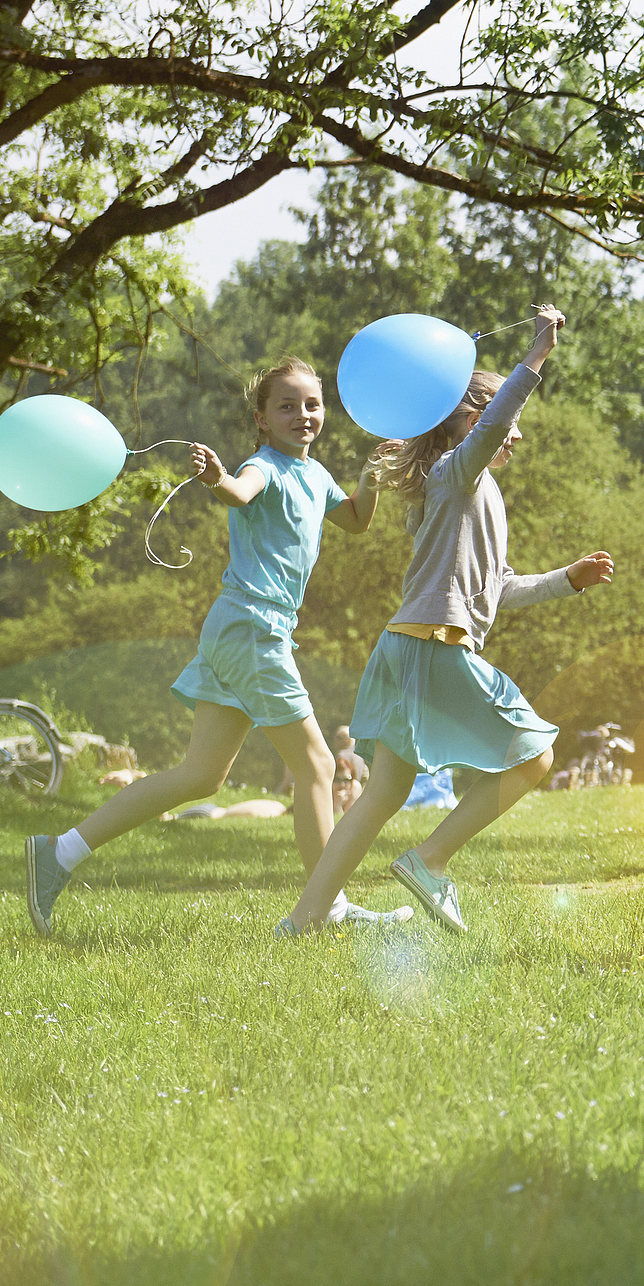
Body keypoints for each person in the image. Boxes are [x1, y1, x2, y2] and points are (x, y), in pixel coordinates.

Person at [25, 358, 403, 934]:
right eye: (286, 406)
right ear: (261, 417)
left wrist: (372, 475)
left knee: (201, 776)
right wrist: (217, 479)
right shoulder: (265, 467)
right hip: (252, 629)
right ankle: (329, 911)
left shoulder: (317, 474)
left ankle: (60, 853)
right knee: (319, 766)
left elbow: (354, 520)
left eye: (312, 404)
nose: (302, 415)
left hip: (240, 629)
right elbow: (239, 492)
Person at [278, 306, 614, 936]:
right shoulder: (457, 473)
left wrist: (568, 580)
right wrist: (537, 354)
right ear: (471, 420)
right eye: (502, 423)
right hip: (435, 646)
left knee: (383, 795)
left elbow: (500, 590)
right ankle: (430, 861)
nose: (515, 435)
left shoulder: (471, 490)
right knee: (536, 755)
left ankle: (303, 920)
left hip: (406, 646)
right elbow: (494, 426)